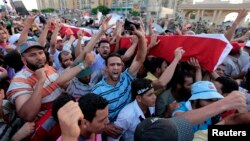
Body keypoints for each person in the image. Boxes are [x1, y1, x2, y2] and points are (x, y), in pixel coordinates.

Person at [92, 24, 147, 139]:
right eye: (112, 65)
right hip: (112, 133)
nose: (116, 68)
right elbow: (90, 117)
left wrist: (141, 37)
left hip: (132, 126)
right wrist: (105, 128)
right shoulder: (97, 91)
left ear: (122, 67)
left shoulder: (126, 77)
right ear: (105, 68)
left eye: (118, 64)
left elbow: (140, 58)